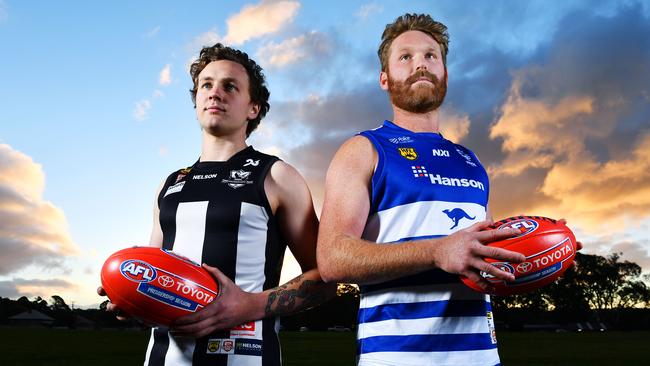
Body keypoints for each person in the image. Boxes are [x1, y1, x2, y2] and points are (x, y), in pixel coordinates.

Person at [99, 43, 335, 366]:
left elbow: (327, 278)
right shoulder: (169, 186)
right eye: (206, 85)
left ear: (253, 107)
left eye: (230, 86)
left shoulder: (277, 176)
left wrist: (248, 305)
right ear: (196, 99)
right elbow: (153, 275)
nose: (215, 93)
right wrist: (130, 299)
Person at [317, 13, 531, 366]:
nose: (421, 64)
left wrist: (541, 250)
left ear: (445, 74)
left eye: (431, 56)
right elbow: (332, 259)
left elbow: (484, 259)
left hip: (481, 358)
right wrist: (436, 252)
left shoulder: (471, 161)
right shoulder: (364, 149)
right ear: (385, 78)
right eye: (406, 57)